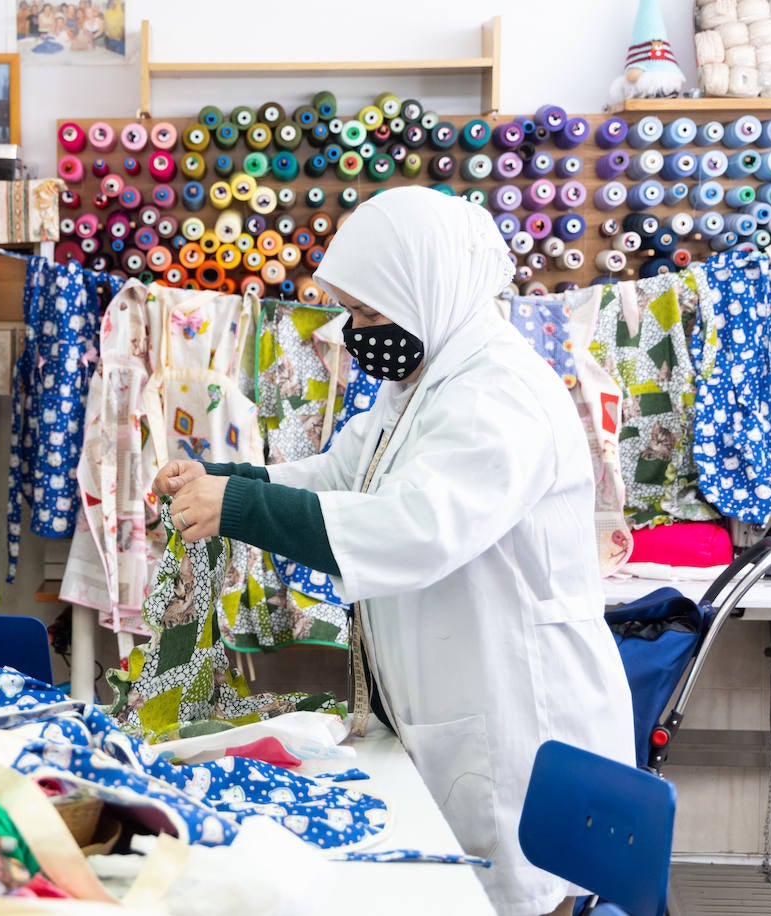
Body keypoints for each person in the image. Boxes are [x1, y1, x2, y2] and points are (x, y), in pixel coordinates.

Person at [152, 187, 634, 916]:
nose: (354, 332)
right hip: (457, 702)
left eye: (371, 314)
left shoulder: (495, 396)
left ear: (428, 291)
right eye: (352, 312)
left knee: (519, 899)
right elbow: (341, 476)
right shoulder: (423, 384)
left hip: (520, 721)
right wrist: (224, 482)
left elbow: (415, 526)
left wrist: (239, 506)